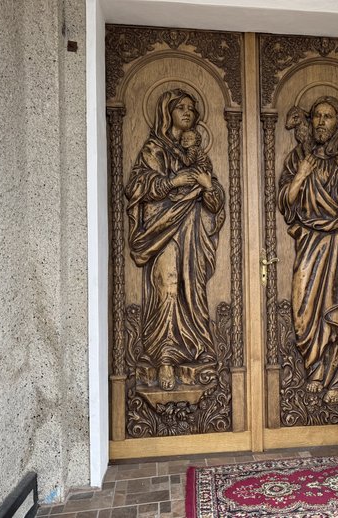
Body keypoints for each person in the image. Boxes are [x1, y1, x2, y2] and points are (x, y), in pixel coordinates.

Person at [125, 88, 226, 391]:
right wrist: (173, 181)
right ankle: (165, 357)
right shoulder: (154, 149)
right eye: (181, 107)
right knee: (168, 285)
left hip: (193, 233)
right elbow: (137, 186)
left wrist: (207, 187)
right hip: (163, 230)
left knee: (190, 289)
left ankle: (195, 349)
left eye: (192, 109)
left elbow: (215, 201)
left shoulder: (198, 156)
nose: (187, 113)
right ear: (167, 112)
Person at [278, 96, 338, 404]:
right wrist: (301, 175)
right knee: (303, 308)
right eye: (317, 116)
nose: (321, 121)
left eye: (328, 116)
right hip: (308, 242)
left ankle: (335, 379)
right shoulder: (299, 157)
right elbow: (285, 202)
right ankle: (314, 367)